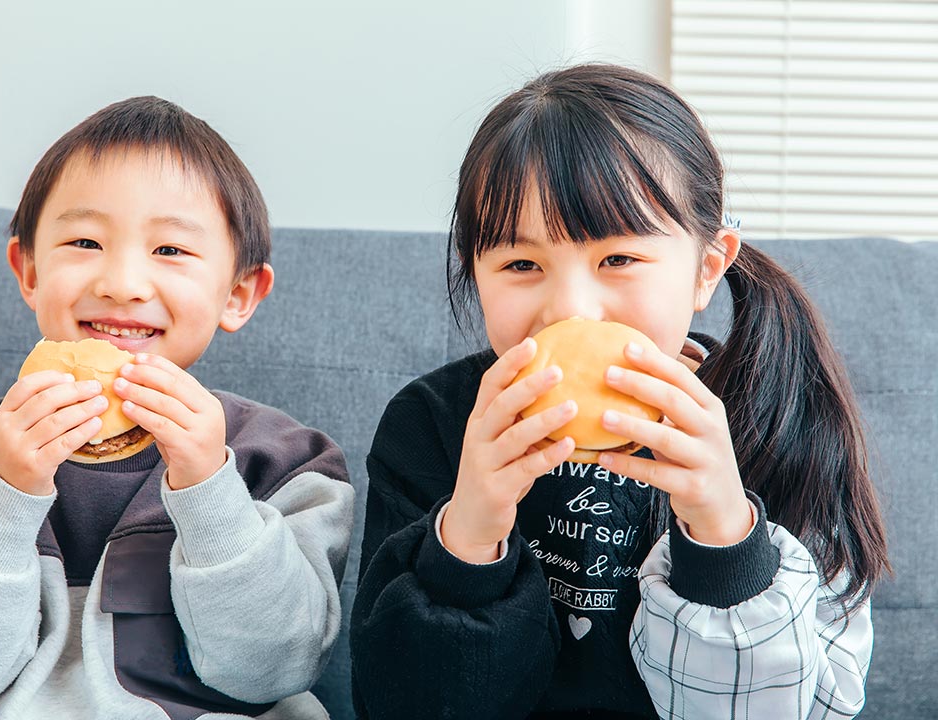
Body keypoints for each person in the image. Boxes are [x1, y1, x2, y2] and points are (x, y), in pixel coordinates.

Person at [350, 64, 890, 719]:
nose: (572, 311)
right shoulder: (432, 424)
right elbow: (399, 706)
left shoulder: (778, 420)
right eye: (522, 265)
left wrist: (724, 538)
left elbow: (808, 709)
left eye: (618, 260)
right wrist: (468, 537)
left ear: (706, 267)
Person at [0, 96, 354, 720]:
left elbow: (271, 670)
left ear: (238, 293)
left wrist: (210, 490)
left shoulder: (284, 463)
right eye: (85, 241)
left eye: (170, 250)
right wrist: (5, 499)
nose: (121, 282)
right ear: (29, 270)